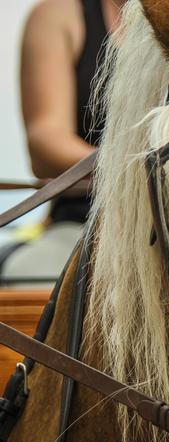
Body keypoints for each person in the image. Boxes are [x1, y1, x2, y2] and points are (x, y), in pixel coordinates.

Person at [2, 0, 121, 282]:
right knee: (29, 278)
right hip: (87, 224)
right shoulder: (58, 15)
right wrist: (132, 168)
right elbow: (46, 140)